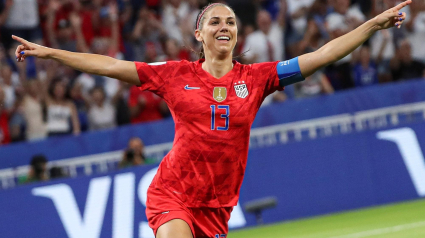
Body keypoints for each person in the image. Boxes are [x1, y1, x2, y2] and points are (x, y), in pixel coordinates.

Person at [12, 1, 411, 237]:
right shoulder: (173, 74)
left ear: (238, 35)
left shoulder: (258, 79)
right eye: (216, 22)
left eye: (231, 22)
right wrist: (51, 53)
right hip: (173, 194)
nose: (225, 27)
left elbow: (323, 55)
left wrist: (372, 26)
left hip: (217, 207)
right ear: (199, 34)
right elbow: (108, 65)